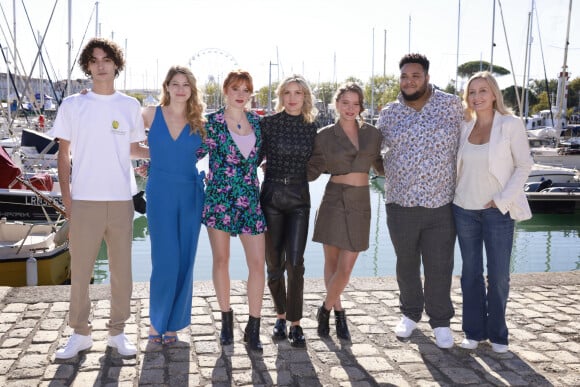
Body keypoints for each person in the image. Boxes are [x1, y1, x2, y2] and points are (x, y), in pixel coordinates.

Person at [51, 37, 148, 359]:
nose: (101, 65)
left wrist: (168, 152)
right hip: (85, 200)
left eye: (107, 59)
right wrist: (68, 199)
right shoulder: (73, 105)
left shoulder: (129, 106)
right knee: (80, 271)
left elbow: (134, 149)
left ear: (116, 64)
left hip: (121, 200)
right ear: (87, 66)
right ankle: (80, 333)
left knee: (122, 271)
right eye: (94, 60)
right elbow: (63, 156)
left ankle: (117, 333)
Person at [377, 53, 463, 349]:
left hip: (441, 203)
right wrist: (390, 172)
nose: (409, 81)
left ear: (426, 77)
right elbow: (374, 152)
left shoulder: (451, 105)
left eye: (415, 75)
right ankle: (410, 314)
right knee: (406, 263)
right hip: (400, 203)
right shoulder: (389, 112)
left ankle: (440, 321)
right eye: (404, 76)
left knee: (440, 265)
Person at [454, 71, 533, 353]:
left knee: (498, 275)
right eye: (472, 92)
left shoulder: (510, 124)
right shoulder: (465, 126)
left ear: (494, 93)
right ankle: (473, 331)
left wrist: (501, 200)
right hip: (463, 208)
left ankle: (498, 334)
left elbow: (524, 165)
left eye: (483, 91)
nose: (477, 97)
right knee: (470, 274)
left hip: (498, 210)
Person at [196, 70, 266, 352]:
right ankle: (226, 320)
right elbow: (191, 154)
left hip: (250, 199)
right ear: (225, 90)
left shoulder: (259, 124)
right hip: (219, 200)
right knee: (221, 260)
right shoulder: (211, 124)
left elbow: (265, 156)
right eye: (236, 88)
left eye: (246, 90)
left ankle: (254, 325)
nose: (241, 94)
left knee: (257, 264)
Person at [308, 82, 384, 341]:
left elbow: (383, 167)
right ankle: (339, 312)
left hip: (360, 202)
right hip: (333, 200)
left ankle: (325, 309)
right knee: (331, 263)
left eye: (355, 103)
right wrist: (278, 167)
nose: (350, 108)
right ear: (336, 104)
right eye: (345, 103)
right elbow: (312, 169)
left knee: (347, 267)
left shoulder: (373, 134)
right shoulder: (324, 135)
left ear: (361, 106)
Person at [142, 66, 206, 345]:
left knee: (185, 260)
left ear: (192, 90)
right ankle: (157, 321)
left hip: (192, 191)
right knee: (164, 259)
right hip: (160, 191)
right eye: (175, 83)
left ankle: (174, 324)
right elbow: (123, 139)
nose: (180, 89)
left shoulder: (200, 121)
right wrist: (153, 155)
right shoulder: (149, 114)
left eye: (186, 85)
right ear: (166, 86)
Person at [259, 75, 318, 347]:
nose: (292, 98)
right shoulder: (267, 124)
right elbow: (250, 158)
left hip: (298, 199)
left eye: (298, 93)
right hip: (270, 196)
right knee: (274, 264)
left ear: (305, 97)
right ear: (280, 96)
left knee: (296, 263)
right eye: (287, 93)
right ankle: (280, 316)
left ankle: (295, 323)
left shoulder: (312, 127)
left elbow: (321, 162)